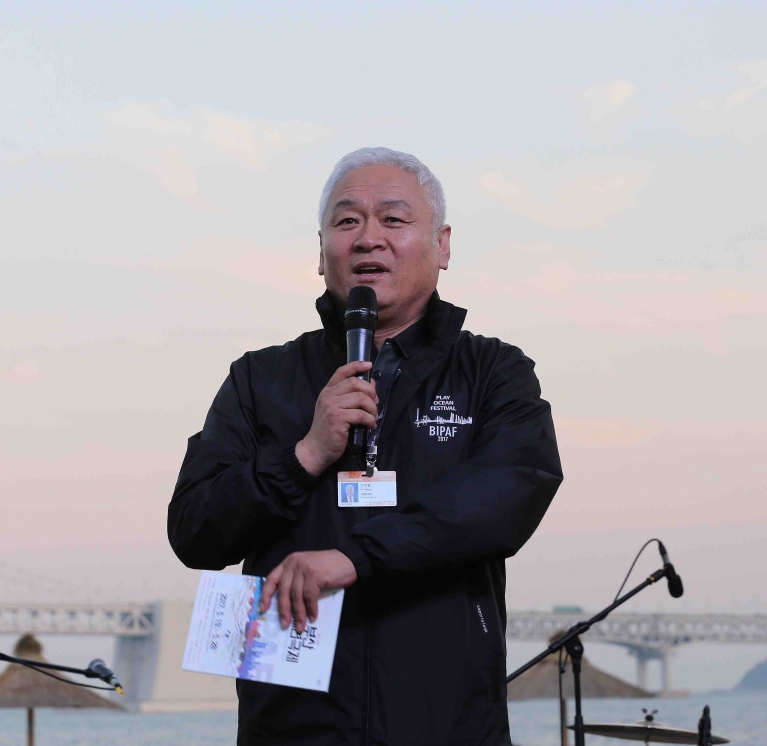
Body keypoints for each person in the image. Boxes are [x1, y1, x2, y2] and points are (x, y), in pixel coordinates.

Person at [168, 147, 562, 745]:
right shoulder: (259, 378)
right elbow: (194, 532)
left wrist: (356, 557)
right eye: (347, 220)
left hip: (447, 722)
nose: (368, 238)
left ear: (443, 245)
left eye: (394, 219)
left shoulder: (493, 371)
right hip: (292, 727)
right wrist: (304, 455)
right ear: (320, 251)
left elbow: (505, 497)